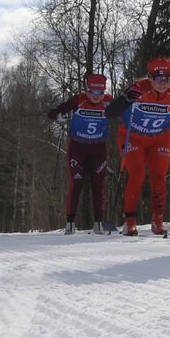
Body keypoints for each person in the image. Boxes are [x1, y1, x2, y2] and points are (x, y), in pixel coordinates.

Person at [103, 56, 170, 236]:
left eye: (167, 78)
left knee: (159, 176)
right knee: (137, 173)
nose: (163, 83)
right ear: (150, 77)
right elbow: (110, 113)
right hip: (132, 136)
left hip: (159, 138)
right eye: (158, 78)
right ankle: (130, 220)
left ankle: (158, 219)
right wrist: (125, 99)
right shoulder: (138, 88)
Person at [49, 72, 115, 234]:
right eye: (92, 92)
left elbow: (125, 111)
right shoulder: (78, 100)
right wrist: (59, 115)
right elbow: (54, 112)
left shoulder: (108, 101)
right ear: (87, 90)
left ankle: (98, 222)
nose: (96, 96)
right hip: (77, 147)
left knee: (98, 186)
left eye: (100, 92)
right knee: (76, 183)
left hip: (98, 148)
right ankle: (70, 222)